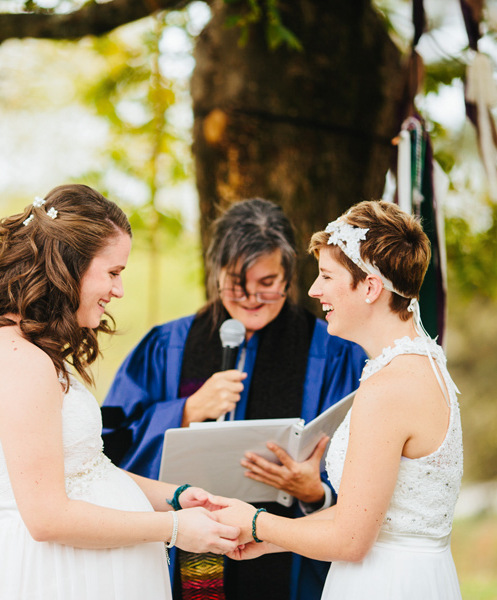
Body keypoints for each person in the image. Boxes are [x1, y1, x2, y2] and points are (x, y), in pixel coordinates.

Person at [0, 184, 240, 600]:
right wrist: (174, 530)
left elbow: (84, 470)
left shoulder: (24, 350)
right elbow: (47, 517)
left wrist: (173, 498)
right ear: (69, 266)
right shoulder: (21, 363)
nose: (118, 290)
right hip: (55, 576)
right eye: (113, 272)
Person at [102, 198, 367, 600]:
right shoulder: (168, 345)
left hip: (288, 558)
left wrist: (315, 492)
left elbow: (363, 471)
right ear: (215, 273)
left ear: (289, 275)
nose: (251, 298)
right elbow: (107, 450)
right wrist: (186, 410)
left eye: (267, 283)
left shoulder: (331, 353)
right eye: (236, 283)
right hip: (187, 552)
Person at [218, 200, 463, 599]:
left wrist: (256, 521)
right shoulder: (422, 363)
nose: (314, 290)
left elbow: (352, 539)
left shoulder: (390, 388)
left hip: (385, 583)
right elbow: (372, 516)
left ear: (370, 286)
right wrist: (276, 541)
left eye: (326, 276)